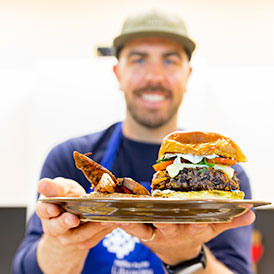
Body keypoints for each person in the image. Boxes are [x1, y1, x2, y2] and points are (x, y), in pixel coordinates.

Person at [13, 10, 255, 274]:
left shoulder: (228, 175)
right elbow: (24, 269)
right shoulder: (69, 161)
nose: (154, 76)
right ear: (118, 73)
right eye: (139, 60)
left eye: (170, 61)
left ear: (188, 75)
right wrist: (66, 242)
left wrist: (185, 257)